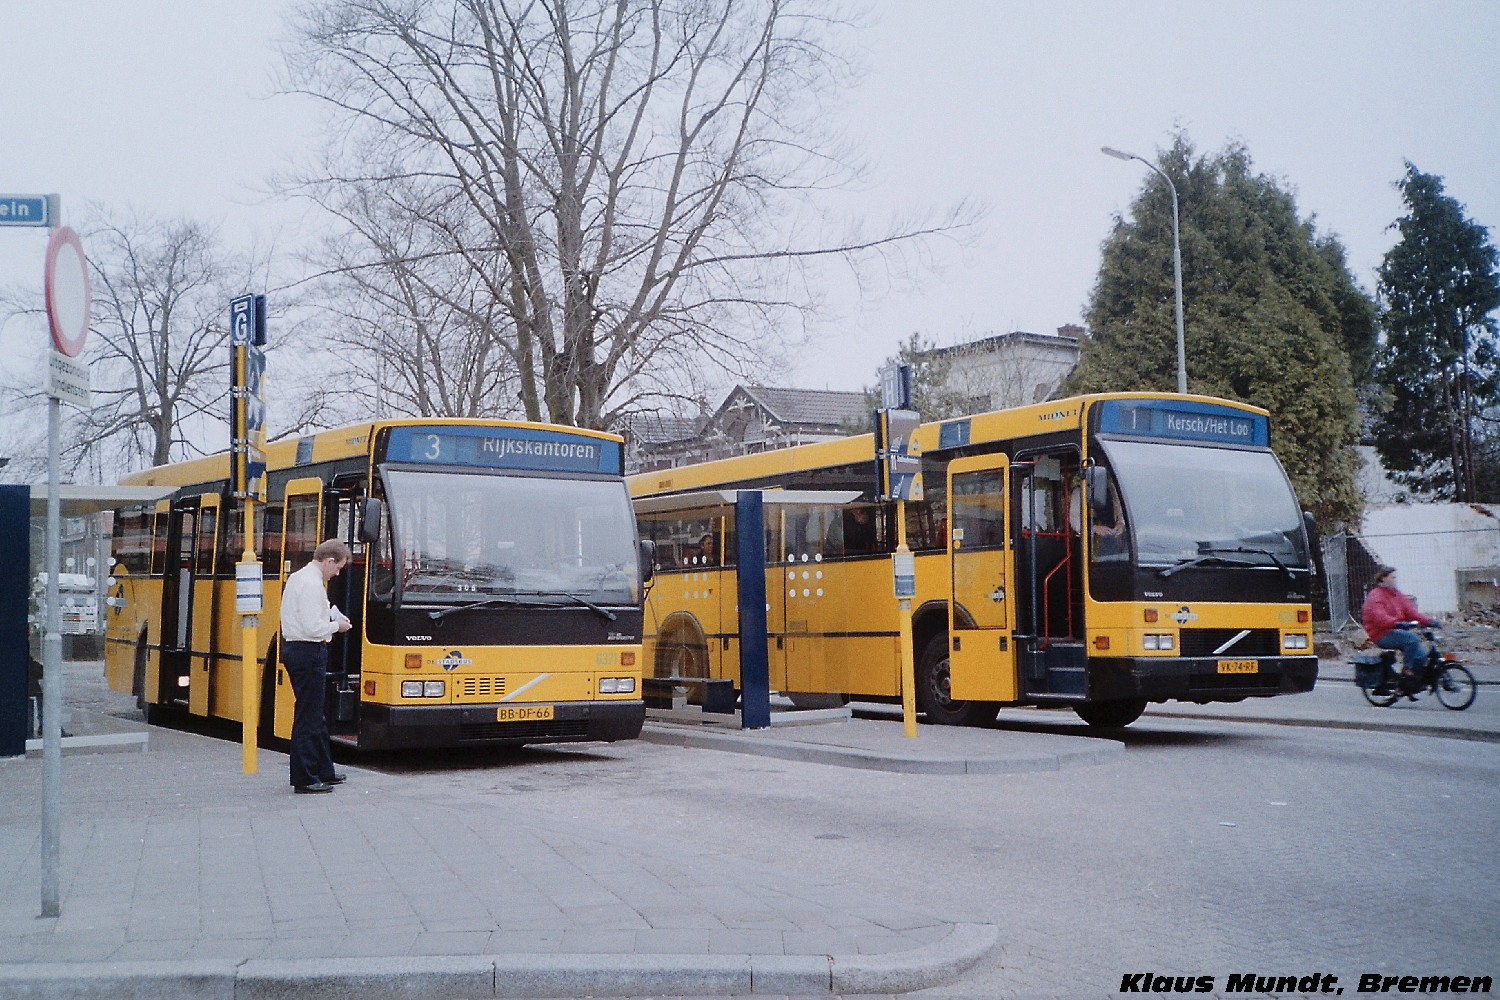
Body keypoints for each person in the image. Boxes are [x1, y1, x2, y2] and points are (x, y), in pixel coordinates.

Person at [280, 539, 353, 793]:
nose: (338, 573)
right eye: (339, 567)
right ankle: (305, 778)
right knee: (308, 717)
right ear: (329, 560)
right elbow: (313, 628)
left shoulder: (300, 578)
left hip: (298, 650)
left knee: (314, 714)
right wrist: (337, 626)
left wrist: (332, 613)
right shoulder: (312, 584)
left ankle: (324, 770)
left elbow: (310, 614)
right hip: (308, 650)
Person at [1360, 566, 1432, 691]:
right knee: (1412, 639)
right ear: (1383, 578)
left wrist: (1429, 621)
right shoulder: (1375, 596)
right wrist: (1397, 624)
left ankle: (1410, 683)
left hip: (1395, 630)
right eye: (1392, 577)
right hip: (1381, 634)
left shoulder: (1396, 594)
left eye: (1395, 577)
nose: (1395, 580)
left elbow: (1411, 612)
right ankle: (1407, 669)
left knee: (1421, 656)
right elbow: (1380, 617)